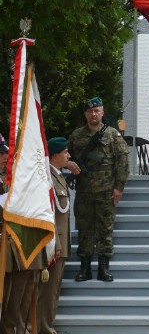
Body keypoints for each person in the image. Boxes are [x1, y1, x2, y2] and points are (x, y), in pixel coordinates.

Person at [68, 97, 129, 282]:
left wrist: (119, 187)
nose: (94, 114)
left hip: (106, 191)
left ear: (102, 112)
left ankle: (104, 268)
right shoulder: (76, 136)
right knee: (85, 229)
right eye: (90, 111)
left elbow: (122, 162)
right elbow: (65, 156)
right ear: (85, 114)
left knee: (105, 229)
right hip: (84, 191)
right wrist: (70, 164)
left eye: (97, 111)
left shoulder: (112, 135)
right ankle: (84, 268)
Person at [0, 134, 45, 334]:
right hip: (4, 244)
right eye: (1, 154)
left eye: (5, 153)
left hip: (13, 247)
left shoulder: (7, 179)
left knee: (14, 299)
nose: (5, 157)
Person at [37, 137, 72, 334]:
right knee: (47, 292)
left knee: (54, 290)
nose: (69, 155)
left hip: (60, 243)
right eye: (66, 152)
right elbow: (48, 212)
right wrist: (56, 244)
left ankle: (46, 326)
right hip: (53, 244)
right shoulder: (47, 177)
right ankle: (43, 329)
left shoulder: (58, 175)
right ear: (56, 155)